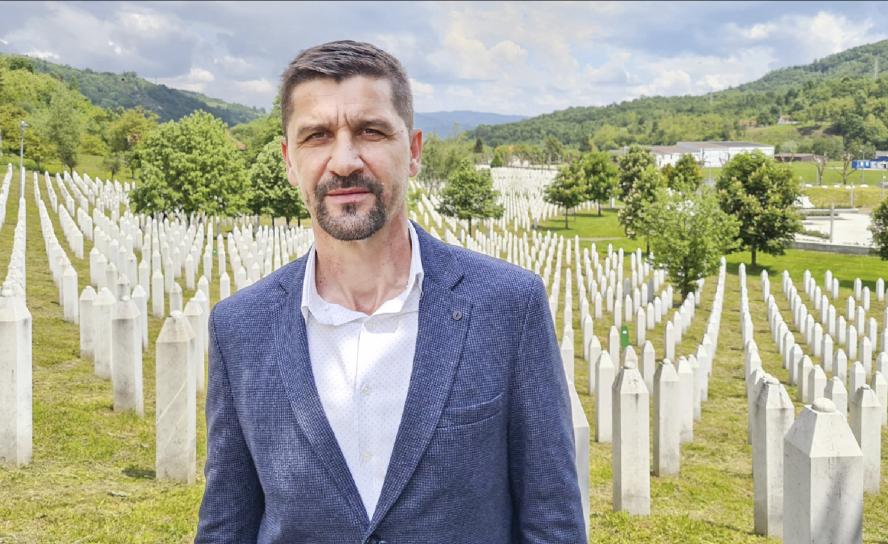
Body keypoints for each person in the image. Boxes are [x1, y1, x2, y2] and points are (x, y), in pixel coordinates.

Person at [196, 40, 585, 543]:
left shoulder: (510, 306)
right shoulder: (238, 327)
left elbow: (552, 520)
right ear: (290, 160)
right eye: (317, 136)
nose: (343, 160)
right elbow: (226, 525)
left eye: (370, 131)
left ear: (414, 150)